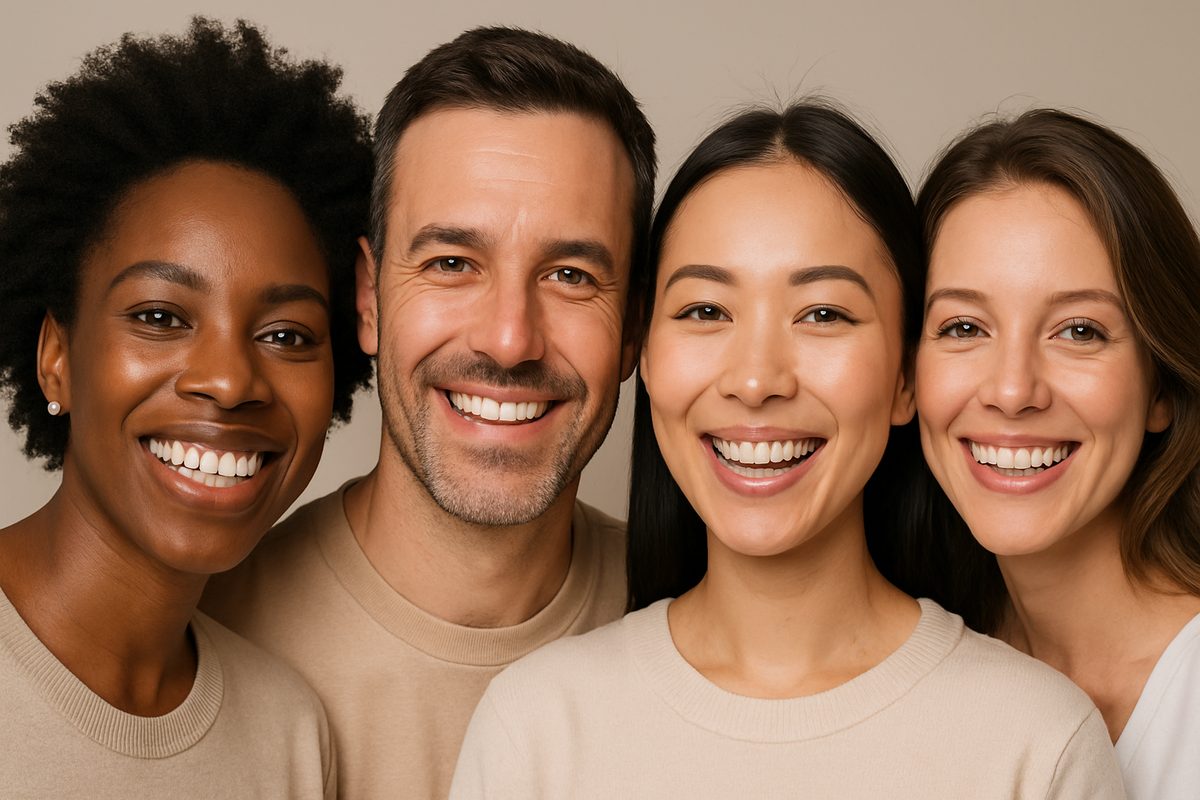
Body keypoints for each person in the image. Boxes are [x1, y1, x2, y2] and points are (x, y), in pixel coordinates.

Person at [450, 102, 1125, 798]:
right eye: (705, 311)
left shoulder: (1036, 740)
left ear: (905, 377)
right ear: (644, 354)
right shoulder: (536, 725)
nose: (755, 380)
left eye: (824, 314)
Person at [201, 26, 656, 799]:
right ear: (370, 299)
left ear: (635, 329)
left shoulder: (704, 620)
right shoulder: (202, 640)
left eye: (571, 274)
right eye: (452, 263)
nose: (510, 340)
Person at [0, 18, 373, 798]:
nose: (231, 381)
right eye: (162, 317)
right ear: (56, 358)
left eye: (286, 333)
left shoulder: (288, 735)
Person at [910, 108, 1200, 799]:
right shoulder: (912, 669)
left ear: (1161, 385)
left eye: (1079, 330)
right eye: (963, 325)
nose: (1013, 391)